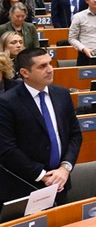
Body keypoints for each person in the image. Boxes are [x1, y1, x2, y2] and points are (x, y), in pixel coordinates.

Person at [0, 48, 82, 203]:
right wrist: (42, 175)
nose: (50, 69)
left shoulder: (62, 95)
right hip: (24, 186)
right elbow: (7, 149)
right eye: (42, 66)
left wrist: (65, 168)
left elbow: (75, 135)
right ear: (25, 73)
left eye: (50, 64)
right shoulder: (7, 102)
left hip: (60, 182)